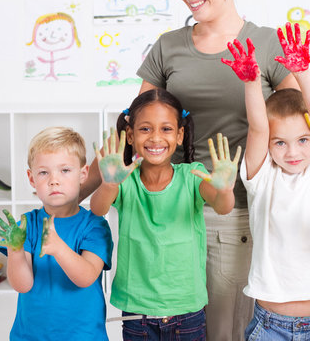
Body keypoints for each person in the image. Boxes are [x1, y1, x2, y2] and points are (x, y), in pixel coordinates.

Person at [126, 0, 302, 338]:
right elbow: (135, 126)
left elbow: (308, 120)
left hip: (232, 213)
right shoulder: (168, 46)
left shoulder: (267, 44)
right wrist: (74, 189)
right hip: (169, 213)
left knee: (225, 332)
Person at [221, 22, 310, 340]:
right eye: (280, 142)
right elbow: (258, 127)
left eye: (302, 140)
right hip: (270, 326)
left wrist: (303, 72)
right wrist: (251, 82)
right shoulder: (262, 178)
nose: (292, 152)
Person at [90, 88, 240, 340]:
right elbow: (98, 209)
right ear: (130, 135)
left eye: (166, 129)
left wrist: (224, 189)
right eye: (145, 129)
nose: (155, 138)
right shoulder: (126, 181)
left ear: (180, 135)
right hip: (137, 312)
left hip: (187, 312)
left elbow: (223, 206)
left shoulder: (192, 175)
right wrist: (108, 184)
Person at [0, 126, 113, 341]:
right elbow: (22, 285)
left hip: (83, 336)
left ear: (83, 174)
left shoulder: (94, 226)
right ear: (31, 178)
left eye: (65, 170)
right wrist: (16, 251)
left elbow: (86, 277)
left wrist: (58, 248)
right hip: (30, 335)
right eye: (44, 172)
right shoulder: (26, 225)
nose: (54, 180)